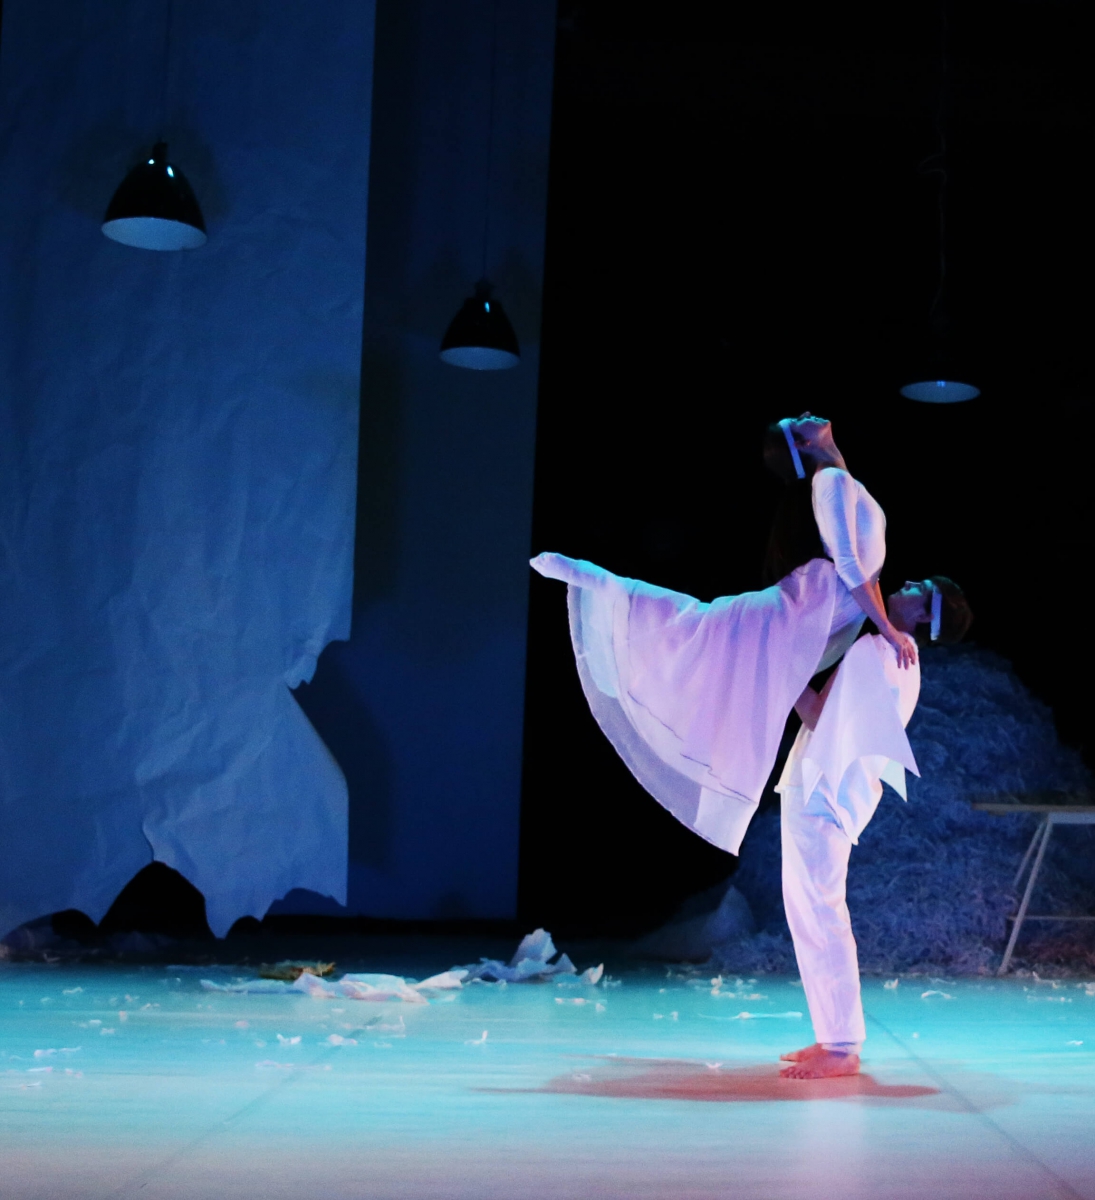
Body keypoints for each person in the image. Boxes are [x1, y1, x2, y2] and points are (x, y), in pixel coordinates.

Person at [530, 412, 914, 858]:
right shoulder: (829, 481)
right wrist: (888, 629)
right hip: (802, 608)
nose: (807, 414)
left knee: (740, 662)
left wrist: (884, 626)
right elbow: (849, 565)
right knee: (700, 629)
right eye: (798, 423)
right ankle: (602, 585)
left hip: (818, 612)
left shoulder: (841, 479)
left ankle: (607, 589)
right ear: (804, 445)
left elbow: (868, 571)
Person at [777, 576, 973, 1080]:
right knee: (812, 915)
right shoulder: (903, 659)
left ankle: (842, 1045)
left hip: (824, 792)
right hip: (828, 791)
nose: (907, 583)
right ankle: (832, 1035)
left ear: (925, 614)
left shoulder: (879, 652)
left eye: (919, 587)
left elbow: (818, 715)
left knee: (821, 914)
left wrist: (783, 669)